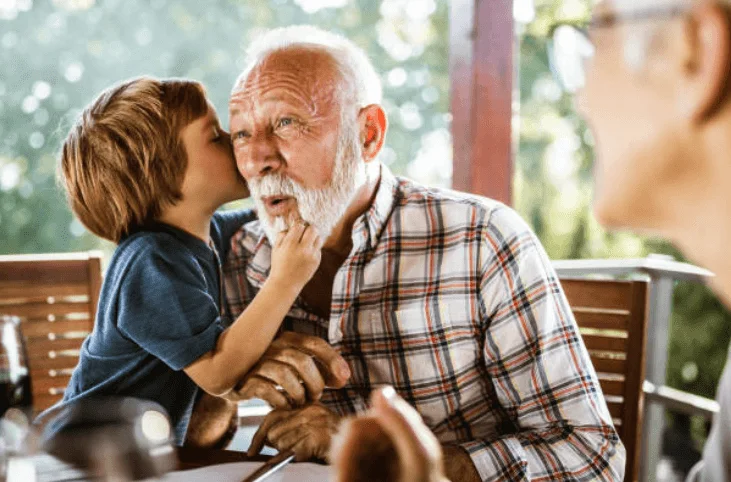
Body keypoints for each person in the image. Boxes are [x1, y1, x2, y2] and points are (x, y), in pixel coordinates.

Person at [335, 0, 731, 481]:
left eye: (595, 40)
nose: (581, 96)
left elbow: (592, 456)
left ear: (697, 53)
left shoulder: (481, 233)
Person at [223, 26, 624, 481]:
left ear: (368, 135)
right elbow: (188, 431)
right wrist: (229, 378)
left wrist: (376, 452)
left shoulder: (482, 240)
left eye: (285, 123)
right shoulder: (239, 258)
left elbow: (592, 458)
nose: (256, 159)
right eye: (239, 133)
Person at [44, 76, 332, 447]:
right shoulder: (150, 262)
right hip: (77, 459)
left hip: (135, 460)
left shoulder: (203, 234)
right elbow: (217, 372)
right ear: (162, 174)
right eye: (214, 136)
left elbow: (260, 215)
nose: (235, 140)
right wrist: (285, 280)